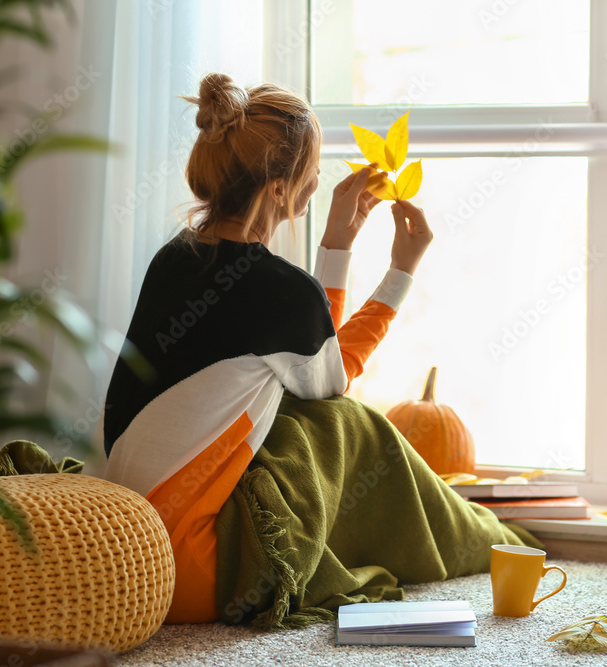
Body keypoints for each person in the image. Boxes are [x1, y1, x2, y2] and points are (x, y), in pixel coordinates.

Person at [99, 73, 535, 626]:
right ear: (280, 188)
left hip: (134, 553)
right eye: (311, 166)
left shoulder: (173, 257)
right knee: (344, 421)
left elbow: (304, 351)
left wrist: (337, 243)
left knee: (292, 408)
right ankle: (487, 540)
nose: (317, 178)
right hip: (197, 573)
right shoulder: (282, 291)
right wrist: (400, 271)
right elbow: (331, 382)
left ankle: (477, 534)